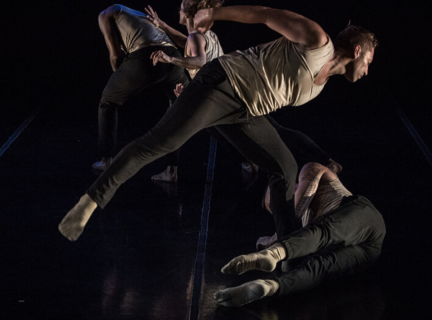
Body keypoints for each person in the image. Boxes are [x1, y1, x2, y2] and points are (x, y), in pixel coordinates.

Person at [58, 5, 378, 242]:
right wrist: (215, 14)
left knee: (284, 168)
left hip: (245, 110)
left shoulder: (322, 83)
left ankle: (284, 243)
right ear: (358, 50)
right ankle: (88, 203)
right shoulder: (317, 40)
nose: (367, 70)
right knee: (159, 143)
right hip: (222, 82)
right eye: (369, 62)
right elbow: (265, 14)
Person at [213, 162, 386, 307]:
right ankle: (269, 287)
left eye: (278, 200)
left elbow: (307, 193)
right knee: (319, 268)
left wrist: (276, 238)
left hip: (364, 218)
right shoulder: (300, 227)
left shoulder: (310, 170)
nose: (279, 208)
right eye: (273, 209)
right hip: (368, 252)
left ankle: (272, 254)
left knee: (324, 231)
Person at [93, 4, 190, 170]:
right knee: (179, 110)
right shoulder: (134, 14)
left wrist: (120, 79)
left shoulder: (105, 14)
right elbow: (185, 42)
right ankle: (171, 171)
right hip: (173, 58)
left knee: (108, 101)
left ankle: (106, 160)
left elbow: (115, 55)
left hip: (147, 55)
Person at [145, 0, 225, 182]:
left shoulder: (195, 37)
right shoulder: (205, 35)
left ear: (188, 14)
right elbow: (187, 43)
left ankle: (171, 172)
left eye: (180, 8)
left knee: (172, 123)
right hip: (218, 93)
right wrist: (162, 25)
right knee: (225, 130)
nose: (177, 10)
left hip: (209, 96)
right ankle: (249, 162)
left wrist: (170, 59)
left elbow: (200, 61)